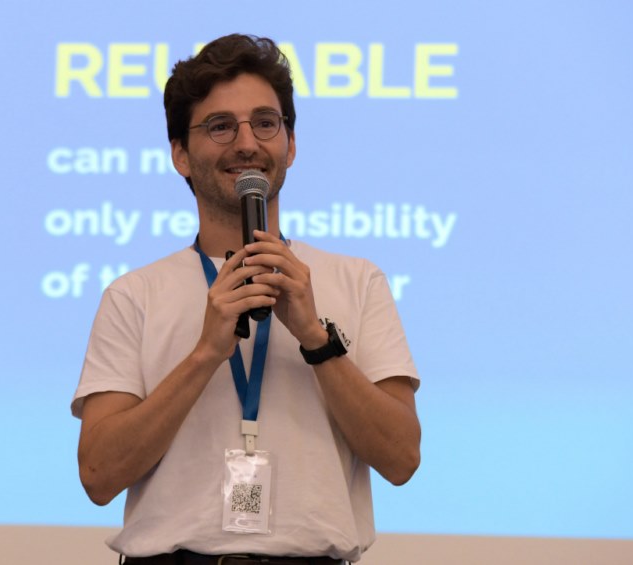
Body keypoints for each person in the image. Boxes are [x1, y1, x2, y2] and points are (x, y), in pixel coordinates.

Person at [72, 33, 421, 565]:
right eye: (220, 126)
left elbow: (401, 459)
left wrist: (316, 339)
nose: (246, 143)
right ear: (180, 155)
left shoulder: (358, 280)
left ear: (291, 145)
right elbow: (99, 476)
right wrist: (205, 354)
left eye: (265, 123)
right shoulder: (133, 295)